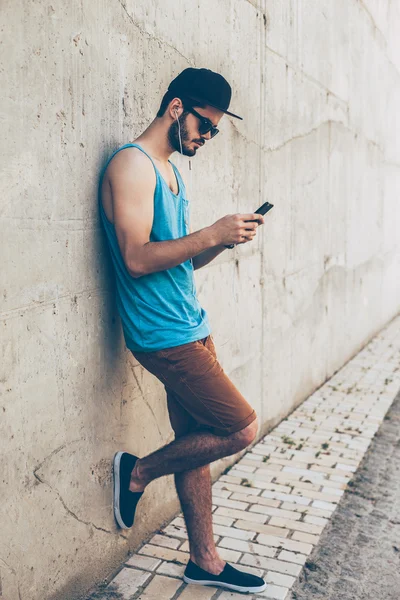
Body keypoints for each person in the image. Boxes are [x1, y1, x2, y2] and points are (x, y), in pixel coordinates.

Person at [98, 67, 266, 594]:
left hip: (191, 324)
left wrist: (221, 240)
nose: (207, 137)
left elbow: (178, 263)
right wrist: (209, 232)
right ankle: (137, 473)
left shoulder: (172, 173)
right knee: (240, 427)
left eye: (213, 130)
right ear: (176, 108)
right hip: (162, 334)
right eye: (204, 125)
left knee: (196, 439)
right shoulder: (132, 165)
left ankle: (204, 561)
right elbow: (135, 259)